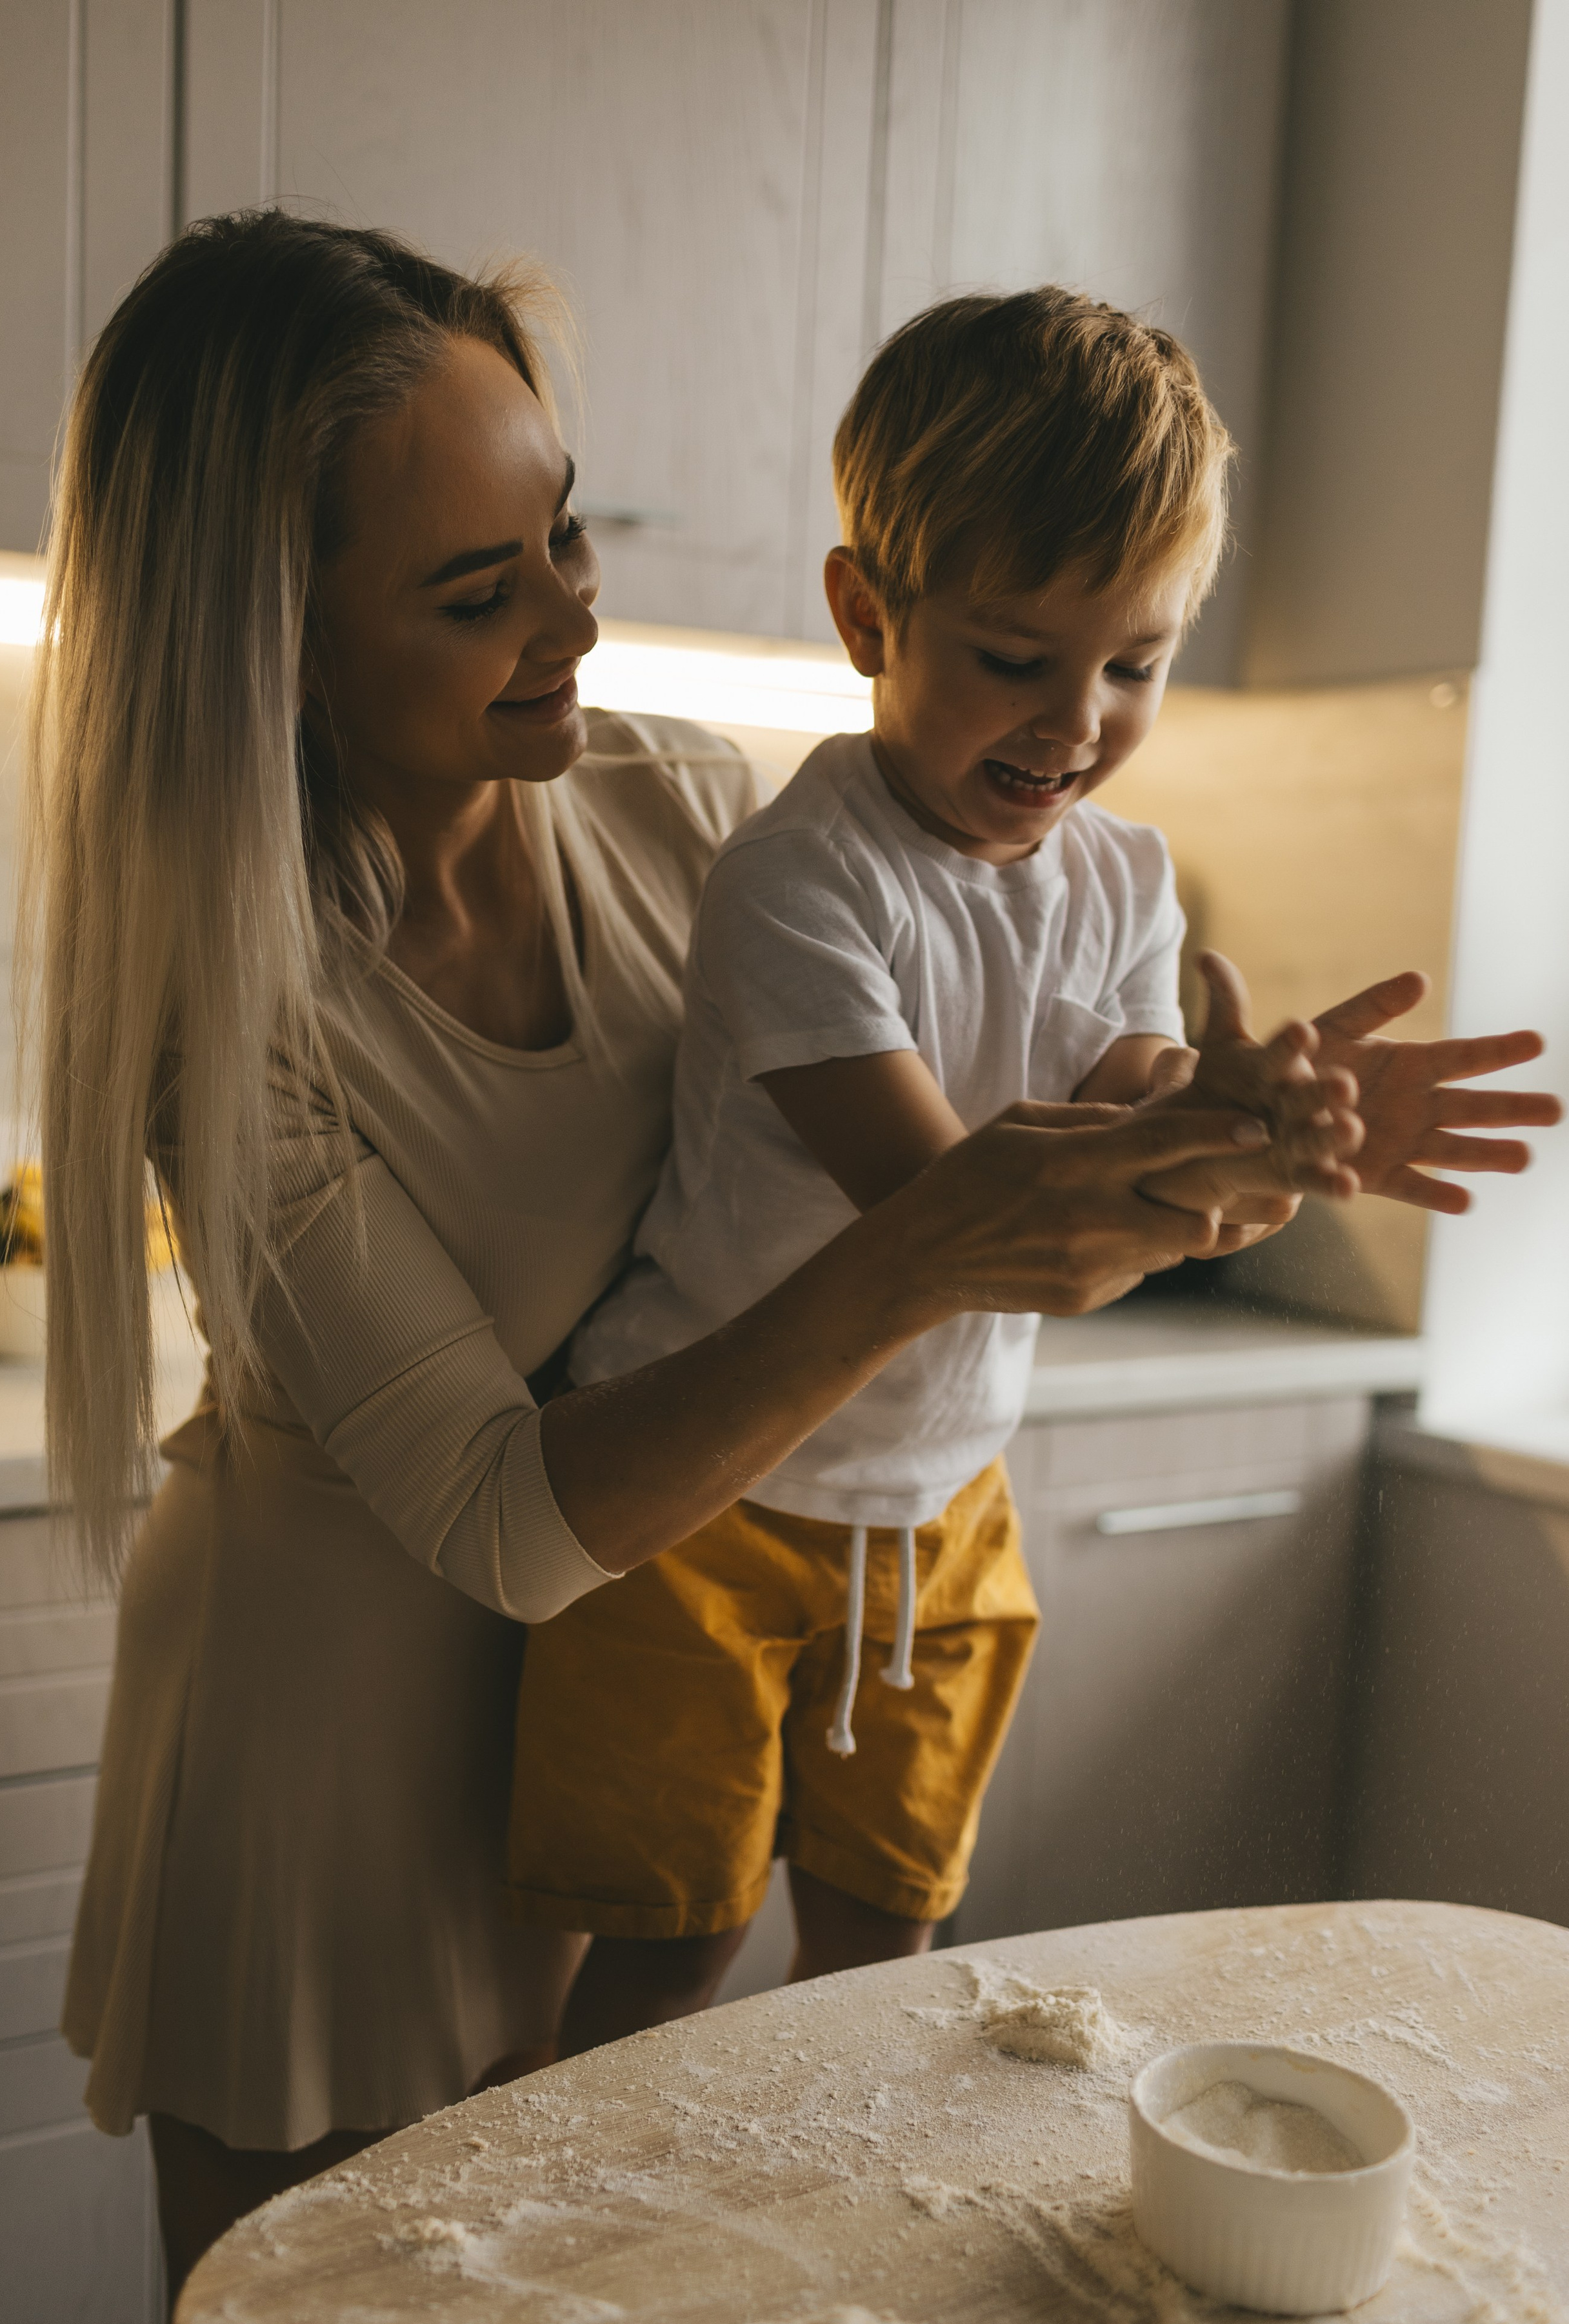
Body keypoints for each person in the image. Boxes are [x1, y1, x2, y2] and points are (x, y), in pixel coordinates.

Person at [24, 216, 1317, 2324]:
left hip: (635, 1672)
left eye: (569, 534)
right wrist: (940, 1244)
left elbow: (974, 1199)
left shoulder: (680, 803)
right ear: (276, 646)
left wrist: (1222, 1153)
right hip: (336, 1738)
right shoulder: (234, 1028)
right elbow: (513, 1521)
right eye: (477, 590)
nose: (577, 618)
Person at [506, 288, 1561, 2062]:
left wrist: (1243, 1107)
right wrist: (1216, 1147)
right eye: (1018, 655)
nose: (1078, 722)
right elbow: (950, 1210)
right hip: (702, 1508)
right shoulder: (802, 882)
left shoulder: (1122, 878)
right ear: (867, 612)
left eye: (1134, 666)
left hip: (941, 1509)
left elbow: (1122, 1077)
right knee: (660, 1986)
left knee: (891, 1954)